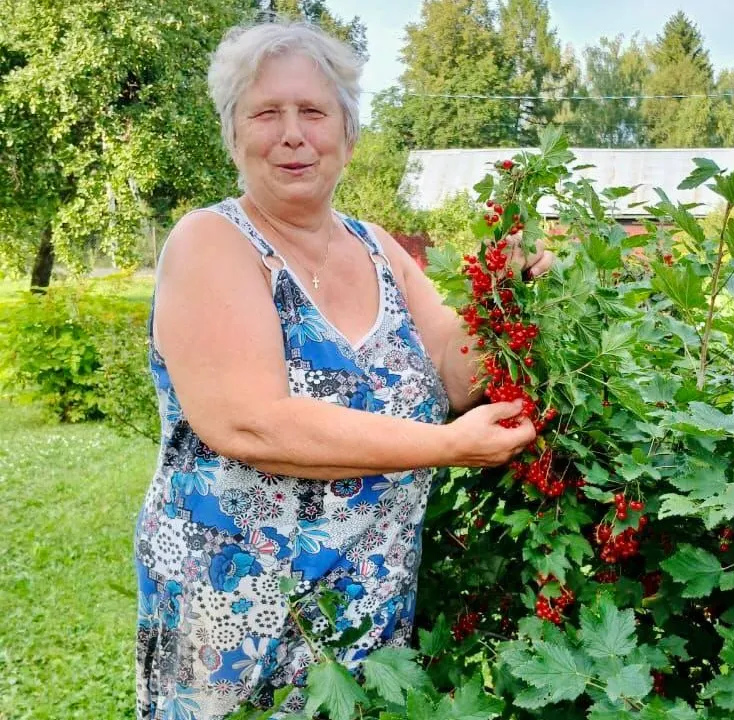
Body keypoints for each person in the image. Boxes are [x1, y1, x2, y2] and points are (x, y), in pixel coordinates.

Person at [133, 20, 554, 720]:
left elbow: (456, 373)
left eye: (314, 112)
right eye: (266, 113)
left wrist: (504, 294)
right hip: (235, 615)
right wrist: (449, 448)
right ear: (233, 135)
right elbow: (254, 423)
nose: (292, 134)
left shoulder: (379, 248)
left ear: (349, 136)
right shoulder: (211, 243)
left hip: (368, 609)